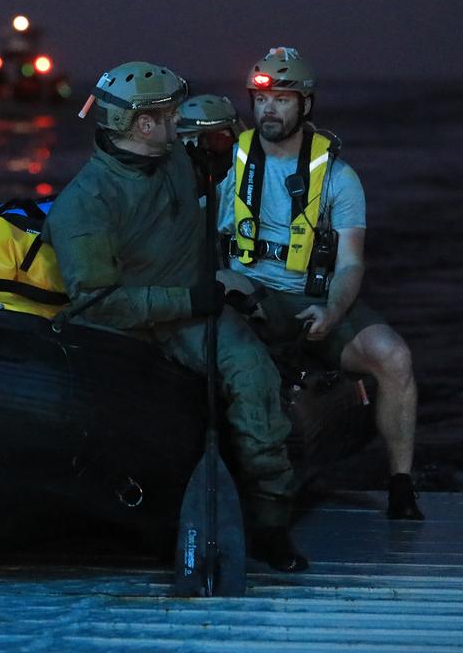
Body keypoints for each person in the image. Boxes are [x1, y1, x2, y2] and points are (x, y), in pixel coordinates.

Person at [46, 61, 308, 572]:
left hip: (194, 308)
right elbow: (98, 302)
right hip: (134, 324)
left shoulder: (175, 160)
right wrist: (192, 299)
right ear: (143, 125)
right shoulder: (86, 203)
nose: (177, 122)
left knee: (252, 372)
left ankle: (272, 522)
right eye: (168, 115)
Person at [216, 46, 424, 520]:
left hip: (315, 297)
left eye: (283, 100)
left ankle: (401, 486)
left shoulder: (339, 178)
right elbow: (200, 238)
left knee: (394, 357)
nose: (270, 109)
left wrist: (332, 312)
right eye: (263, 100)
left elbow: (351, 263)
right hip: (251, 293)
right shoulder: (228, 165)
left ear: (305, 105)